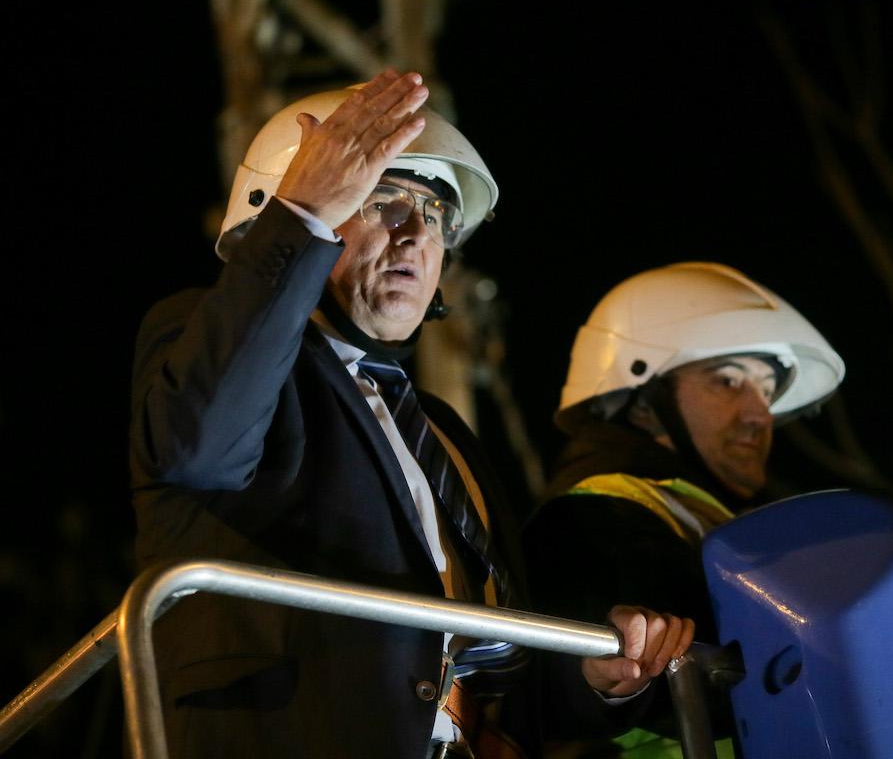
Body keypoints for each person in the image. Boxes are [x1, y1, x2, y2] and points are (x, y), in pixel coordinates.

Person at [128, 68, 692, 759]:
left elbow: (478, 660)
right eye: (382, 199)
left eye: (434, 217)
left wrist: (592, 676)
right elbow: (200, 445)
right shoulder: (202, 341)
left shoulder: (443, 437)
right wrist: (300, 215)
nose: (415, 234)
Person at [523, 261, 845, 757]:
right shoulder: (595, 516)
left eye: (765, 390)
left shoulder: (701, 517)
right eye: (728, 381)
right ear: (646, 403)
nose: (760, 414)